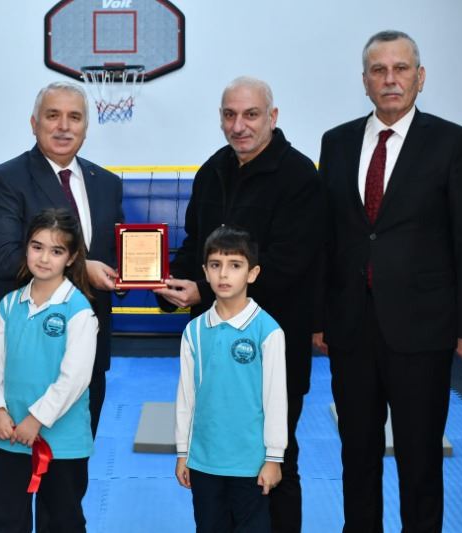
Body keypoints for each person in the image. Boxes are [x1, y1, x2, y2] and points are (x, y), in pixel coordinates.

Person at [315, 30, 462, 532]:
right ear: (365, 81)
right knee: (356, 455)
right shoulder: (336, 142)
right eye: (379, 70)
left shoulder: (452, 142)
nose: (390, 79)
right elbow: (328, 238)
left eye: (401, 68)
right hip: (351, 328)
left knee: (420, 459)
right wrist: (321, 319)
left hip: (423, 328)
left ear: (420, 77)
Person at [155, 76, 324, 532]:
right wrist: (167, 286)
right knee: (213, 459)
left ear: (273, 116)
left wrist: (204, 290)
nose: (239, 125)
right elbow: (195, 246)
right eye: (230, 115)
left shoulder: (299, 176)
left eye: (251, 115)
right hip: (214, 343)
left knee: (276, 459)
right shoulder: (212, 170)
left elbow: (288, 265)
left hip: (274, 343)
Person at [0, 81, 123, 437]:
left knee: (76, 460)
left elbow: (112, 255)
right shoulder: (3, 180)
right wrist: (83, 269)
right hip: (24, 349)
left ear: (86, 127)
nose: (64, 126)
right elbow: (5, 258)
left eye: (74, 117)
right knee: (14, 462)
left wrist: (130, 276)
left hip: (87, 349)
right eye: (53, 115)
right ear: (34, 123)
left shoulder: (106, 183)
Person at [0, 208, 98, 532]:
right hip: (8, 436)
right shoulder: (8, 305)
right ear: (26, 247)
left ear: (71, 258)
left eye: (56, 251)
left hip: (61, 442)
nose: (44, 258)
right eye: (37, 247)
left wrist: (36, 419)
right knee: (5, 521)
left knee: (62, 522)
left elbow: (74, 379)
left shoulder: (79, 311)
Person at [175, 226, 287, 533]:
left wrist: (274, 458)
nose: (224, 274)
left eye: (235, 265)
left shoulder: (268, 331)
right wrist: (183, 453)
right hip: (204, 461)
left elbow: (276, 400)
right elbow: (186, 398)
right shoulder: (194, 331)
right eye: (215, 265)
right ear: (205, 272)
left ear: (252, 273)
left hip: (251, 463)